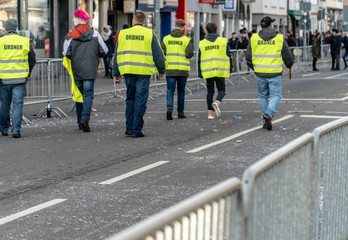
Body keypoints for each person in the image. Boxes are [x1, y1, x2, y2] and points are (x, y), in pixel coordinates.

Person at [113, 11, 165, 138]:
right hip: (143, 73)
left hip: (128, 71)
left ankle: (129, 128)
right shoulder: (149, 34)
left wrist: (116, 72)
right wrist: (161, 70)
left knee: (130, 99)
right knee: (140, 101)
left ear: (133, 21)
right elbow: (158, 54)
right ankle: (136, 130)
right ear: (144, 21)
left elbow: (117, 54)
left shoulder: (123, 34)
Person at [63, 9, 108, 132]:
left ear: (77, 19)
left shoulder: (70, 35)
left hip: (77, 69)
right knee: (88, 95)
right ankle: (85, 118)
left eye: (74, 18)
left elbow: (66, 53)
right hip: (90, 69)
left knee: (79, 95)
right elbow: (105, 51)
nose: (73, 20)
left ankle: (79, 121)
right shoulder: (95, 34)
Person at [246, 16, 293, 131]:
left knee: (263, 96)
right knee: (276, 96)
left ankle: (264, 121)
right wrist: (289, 65)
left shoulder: (254, 38)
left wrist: (256, 68)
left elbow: (248, 58)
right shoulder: (279, 38)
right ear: (271, 26)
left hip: (260, 74)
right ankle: (269, 113)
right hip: (274, 73)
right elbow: (287, 56)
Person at [0, 18, 36, 138]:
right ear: (15, 28)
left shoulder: (1, 41)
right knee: (18, 105)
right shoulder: (25, 41)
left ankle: (4, 129)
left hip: (3, 79)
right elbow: (32, 59)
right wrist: (27, 73)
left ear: (5, 28)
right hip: (20, 79)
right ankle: (16, 130)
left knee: (4, 105)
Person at [198, 22, 232, 119]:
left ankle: (210, 114)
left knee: (210, 91)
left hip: (208, 70)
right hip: (220, 69)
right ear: (216, 30)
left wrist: (200, 72)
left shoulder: (202, 43)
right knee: (222, 90)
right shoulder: (223, 41)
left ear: (207, 31)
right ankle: (217, 102)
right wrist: (231, 68)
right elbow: (228, 55)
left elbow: (199, 59)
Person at [161, 19, 194, 120]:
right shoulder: (186, 40)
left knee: (170, 90)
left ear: (175, 26)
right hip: (182, 70)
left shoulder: (166, 39)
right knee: (181, 91)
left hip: (170, 69)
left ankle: (169, 108)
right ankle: (180, 112)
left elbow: (162, 53)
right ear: (183, 27)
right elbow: (189, 54)